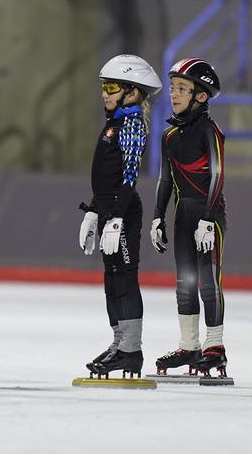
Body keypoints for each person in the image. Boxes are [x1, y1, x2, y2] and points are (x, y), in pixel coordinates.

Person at [77, 54, 161, 379]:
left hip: (123, 213)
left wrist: (116, 217)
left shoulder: (131, 123)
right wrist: (95, 211)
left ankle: (131, 349)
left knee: (124, 279)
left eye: (111, 87)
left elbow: (129, 175)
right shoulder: (114, 122)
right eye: (103, 87)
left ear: (133, 92)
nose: (104, 93)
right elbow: (106, 178)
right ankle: (119, 344)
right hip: (111, 211)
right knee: (111, 279)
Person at [150, 58, 229, 376]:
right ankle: (189, 345)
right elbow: (165, 180)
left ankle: (215, 346)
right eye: (173, 88)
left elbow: (218, 173)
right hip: (183, 216)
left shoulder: (210, 130)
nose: (174, 94)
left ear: (202, 95)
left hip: (209, 215)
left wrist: (209, 217)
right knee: (185, 284)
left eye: (182, 88)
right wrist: (157, 216)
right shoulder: (169, 137)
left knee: (208, 282)